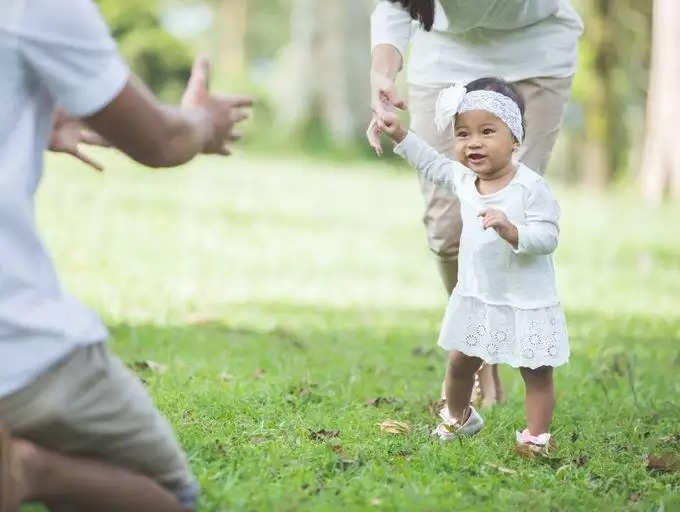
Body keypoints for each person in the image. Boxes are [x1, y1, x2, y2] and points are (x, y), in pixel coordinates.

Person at [0, 0, 252, 510]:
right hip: (20, 350)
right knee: (169, 496)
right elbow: (159, 139)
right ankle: (26, 471)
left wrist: (27, 117)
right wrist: (204, 121)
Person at [367, 0, 582, 407]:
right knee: (447, 233)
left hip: (534, 55)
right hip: (446, 57)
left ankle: (508, 354)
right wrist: (382, 70)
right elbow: (395, 6)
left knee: (510, 214)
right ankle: (476, 346)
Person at [374, 77, 569, 456]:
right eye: (463, 133)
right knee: (461, 361)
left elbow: (548, 236)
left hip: (524, 299)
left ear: (515, 139)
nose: (473, 142)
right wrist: (400, 135)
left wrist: (514, 232)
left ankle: (536, 437)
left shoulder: (530, 187)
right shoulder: (465, 180)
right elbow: (431, 163)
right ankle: (459, 416)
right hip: (479, 295)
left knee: (536, 371)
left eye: (487, 132)